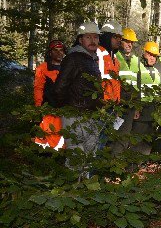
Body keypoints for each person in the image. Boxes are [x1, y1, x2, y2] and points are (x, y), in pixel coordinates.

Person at [53, 22, 103, 157]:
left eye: (96, 37)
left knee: (89, 156)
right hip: (75, 115)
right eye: (88, 37)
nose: (93, 41)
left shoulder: (91, 59)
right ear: (80, 40)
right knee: (76, 155)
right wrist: (67, 109)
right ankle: (75, 179)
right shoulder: (73, 58)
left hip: (91, 115)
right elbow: (60, 88)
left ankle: (85, 179)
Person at [33, 40, 66, 150]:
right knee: (47, 141)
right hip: (48, 109)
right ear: (50, 52)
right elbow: (38, 88)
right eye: (55, 50)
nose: (58, 53)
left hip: (66, 110)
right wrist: (38, 108)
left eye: (61, 50)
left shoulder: (68, 67)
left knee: (63, 142)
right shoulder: (42, 68)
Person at [98, 20, 123, 103]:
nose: (119, 40)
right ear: (106, 36)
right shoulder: (98, 53)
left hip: (113, 104)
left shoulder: (114, 57)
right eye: (115, 37)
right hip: (101, 103)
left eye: (120, 37)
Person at [115, 28, 140, 94]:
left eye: (131, 42)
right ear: (120, 41)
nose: (130, 45)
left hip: (134, 98)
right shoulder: (114, 56)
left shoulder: (136, 59)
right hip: (119, 97)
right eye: (127, 41)